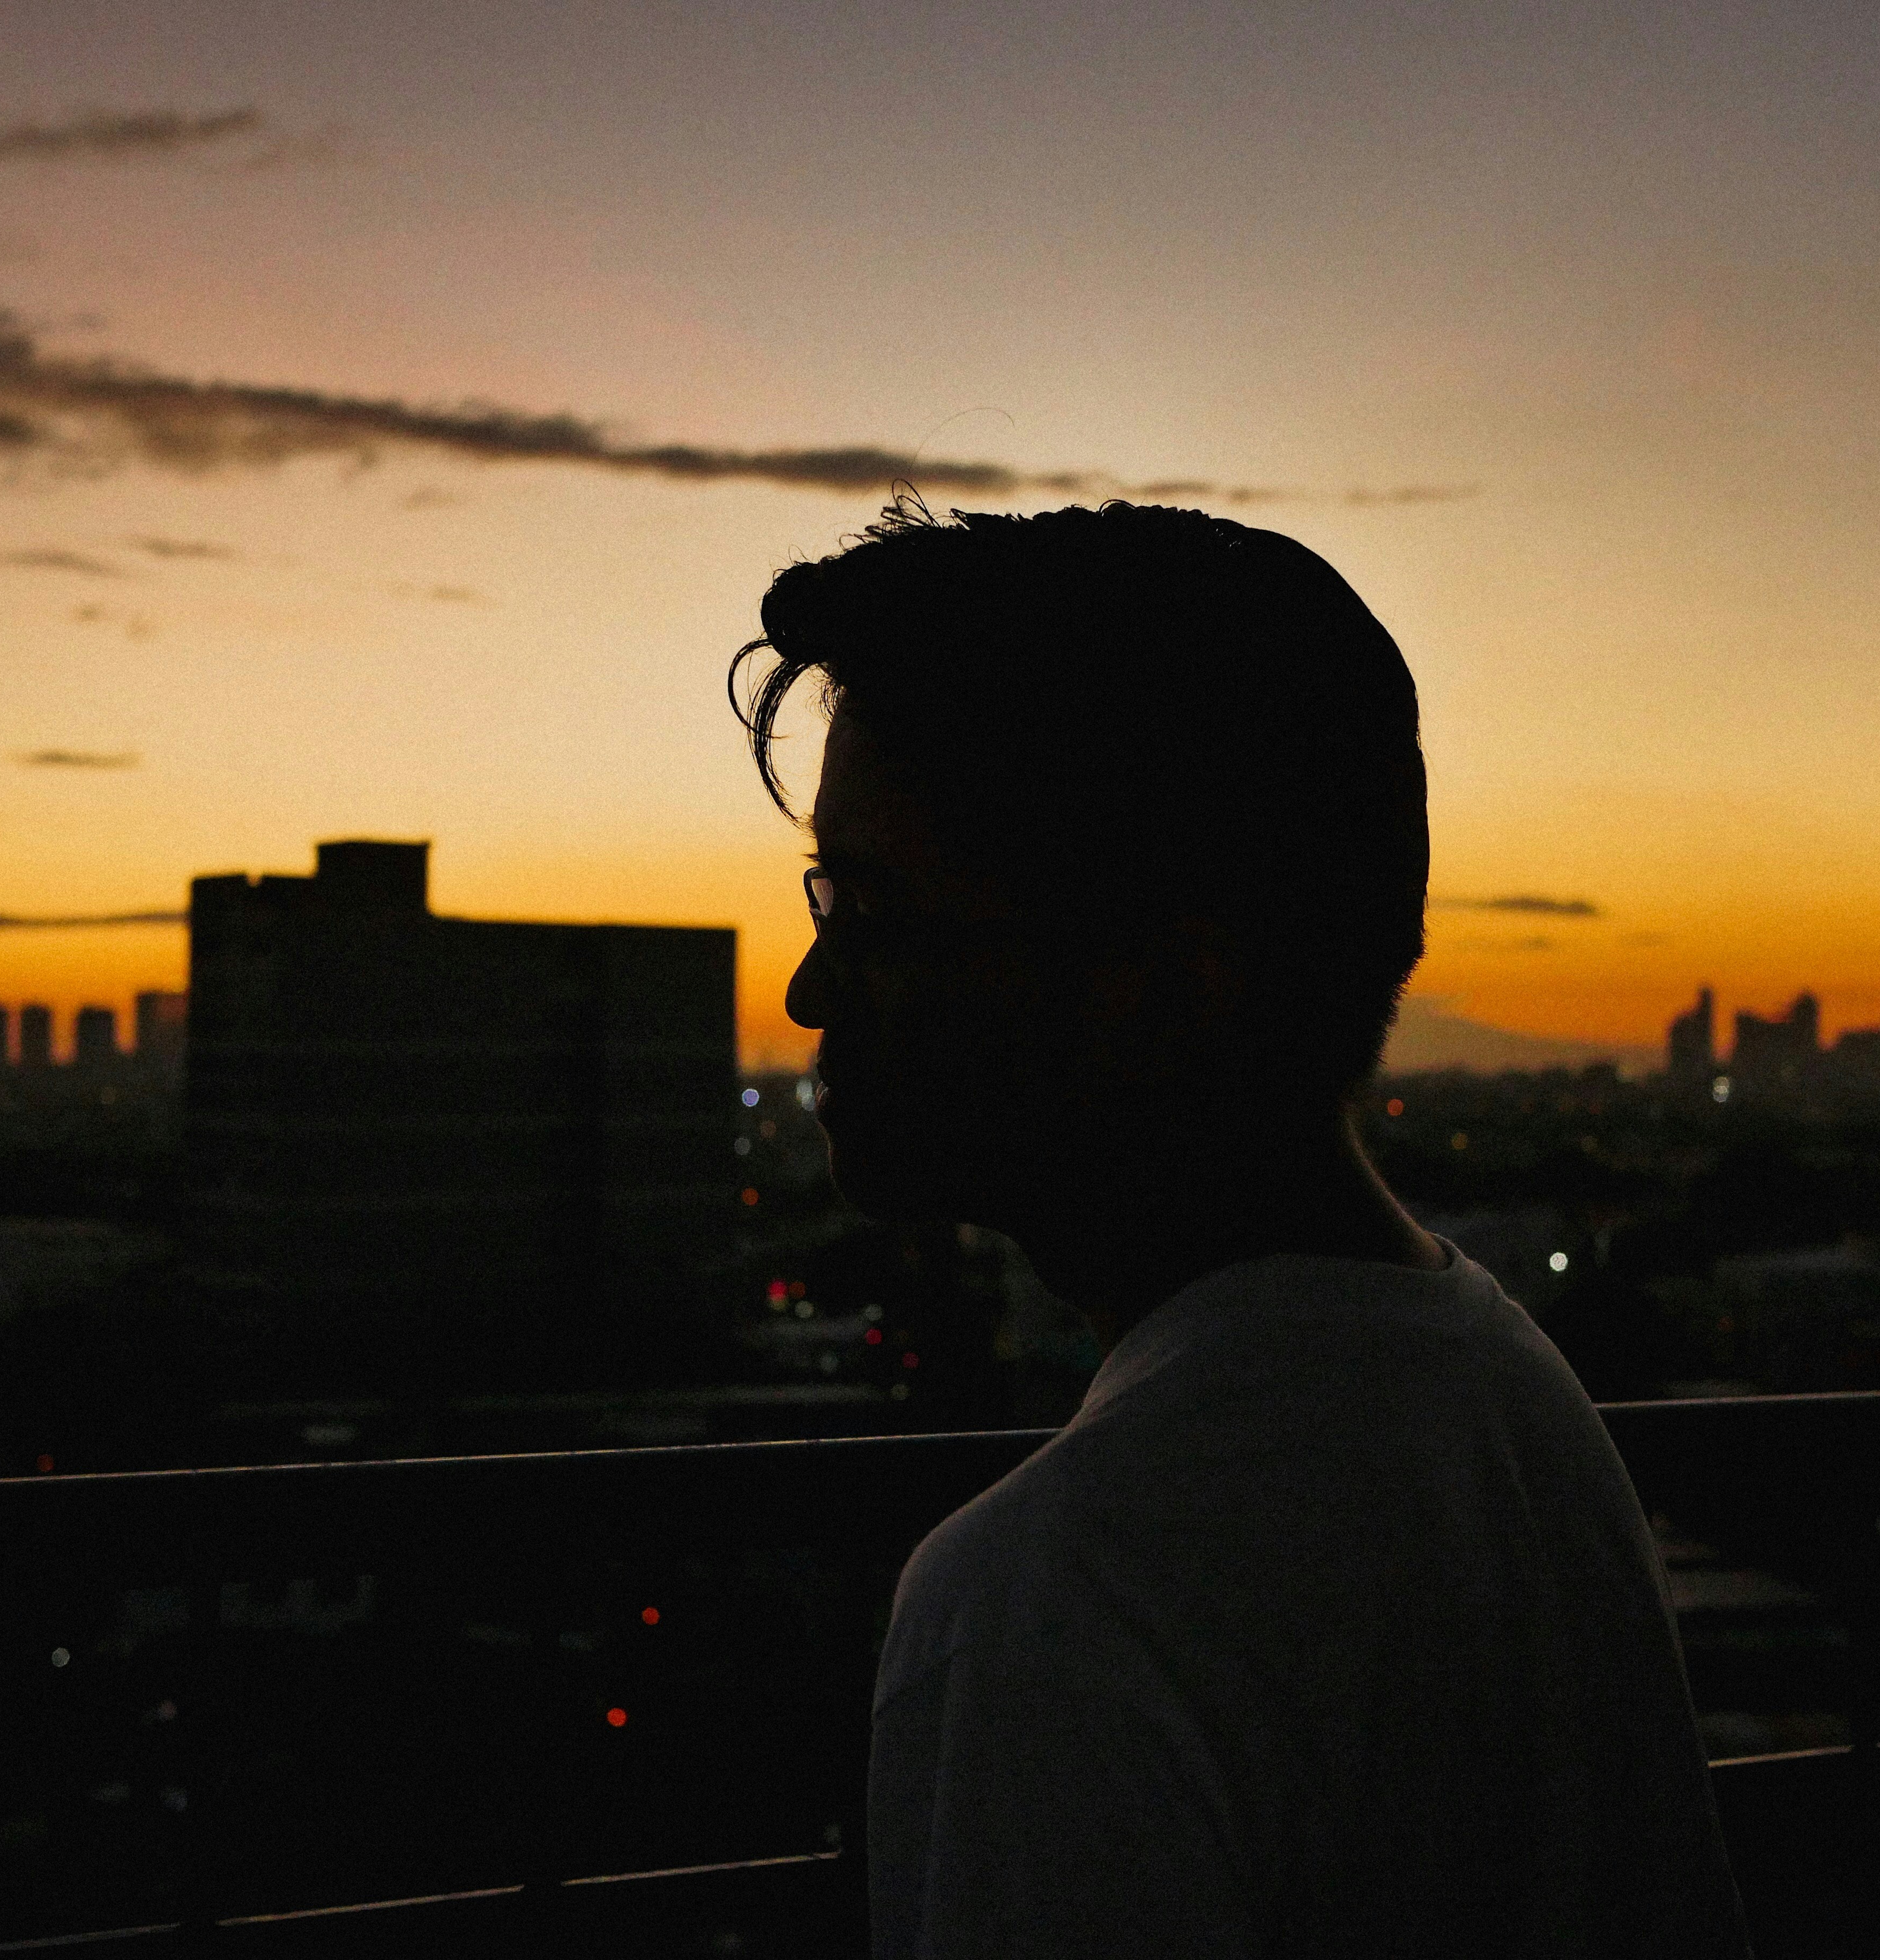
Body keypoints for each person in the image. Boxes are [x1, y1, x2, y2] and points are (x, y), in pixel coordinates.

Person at [732, 496, 1748, 1958]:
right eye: (828, 894)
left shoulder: (1051, 1604)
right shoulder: (1511, 1399)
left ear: (1161, 974)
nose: (812, 994)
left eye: (880, 908)